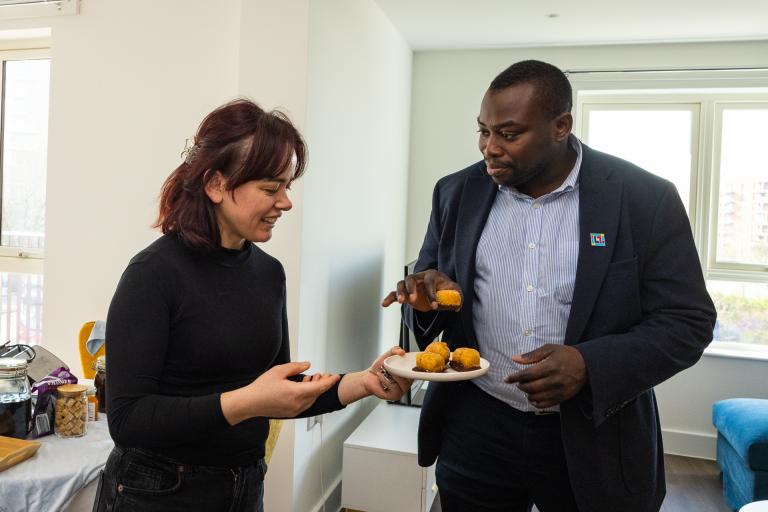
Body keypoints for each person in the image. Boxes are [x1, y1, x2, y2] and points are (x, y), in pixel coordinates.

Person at [383, 60, 716, 512]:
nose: (489, 149)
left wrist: (588, 365)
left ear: (561, 125)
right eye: (483, 131)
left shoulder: (643, 198)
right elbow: (427, 289)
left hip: (595, 435)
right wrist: (422, 302)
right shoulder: (456, 192)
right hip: (477, 428)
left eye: (509, 133)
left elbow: (688, 322)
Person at [93, 99, 410, 512]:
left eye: (286, 187)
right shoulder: (152, 275)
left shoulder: (268, 273)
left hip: (244, 485)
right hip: (157, 492)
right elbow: (128, 420)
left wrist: (364, 382)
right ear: (216, 185)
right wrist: (248, 403)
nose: (285, 202)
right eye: (269, 188)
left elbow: (279, 390)